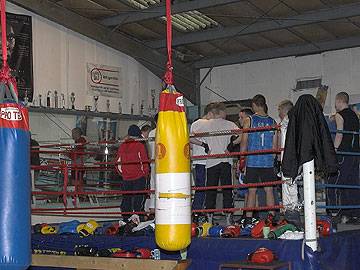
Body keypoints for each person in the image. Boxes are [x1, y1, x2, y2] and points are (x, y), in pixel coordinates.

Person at [241, 94, 277, 225]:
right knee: (269, 190)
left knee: (252, 191)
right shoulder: (273, 122)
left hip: (253, 160)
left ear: (254, 105)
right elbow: (275, 146)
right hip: (267, 160)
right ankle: (271, 218)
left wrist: (242, 158)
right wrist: (273, 159)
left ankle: (249, 220)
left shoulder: (249, 120)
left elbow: (244, 141)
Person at [202, 102, 238, 225]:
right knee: (227, 189)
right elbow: (243, 134)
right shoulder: (229, 124)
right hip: (225, 160)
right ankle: (228, 218)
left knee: (210, 190)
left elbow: (190, 136)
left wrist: (204, 145)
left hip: (212, 161)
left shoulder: (206, 125)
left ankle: (209, 219)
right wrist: (231, 145)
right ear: (221, 112)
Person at [327, 92, 360, 223]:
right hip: (355, 154)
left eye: (335, 102)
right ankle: (354, 214)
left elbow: (339, 134)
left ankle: (335, 212)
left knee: (333, 182)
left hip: (343, 153)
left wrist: (334, 151)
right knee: (351, 183)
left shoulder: (340, 115)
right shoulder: (354, 116)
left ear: (339, 101)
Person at [117, 125, 150, 220]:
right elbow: (144, 161)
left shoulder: (123, 145)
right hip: (139, 176)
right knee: (138, 198)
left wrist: (122, 173)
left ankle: (126, 217)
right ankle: (137, 216)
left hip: (126, 177)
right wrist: (145, 173)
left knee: (126, 198)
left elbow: (118, 162)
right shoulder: (140, 145)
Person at [189, 103, 216, 217]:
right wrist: (203, 144)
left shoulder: (198, 124)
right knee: (203, 187)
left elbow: (190, 141)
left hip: (202, 160)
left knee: (203, 188)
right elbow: (189, 137)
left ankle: (199, 212)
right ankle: (197, 212)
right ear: (210, 113)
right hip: (202, 161)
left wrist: (201, 144)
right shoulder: (202, 123)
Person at [278, 100, 301, 226]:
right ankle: (291, 217)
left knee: (289, 186)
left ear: (284, 111)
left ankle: (292, 218)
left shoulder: (289, 121)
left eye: (280, 110)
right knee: (289, 185)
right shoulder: (290, 122)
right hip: (288, 157)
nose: (279, 113)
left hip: (290, 158)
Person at [145, 115, 158, 214]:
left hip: (154, 162)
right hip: (165, 164)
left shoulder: (152, 133)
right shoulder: (167, 131)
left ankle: (153, 210)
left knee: (153, 186)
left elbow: (149, 150)